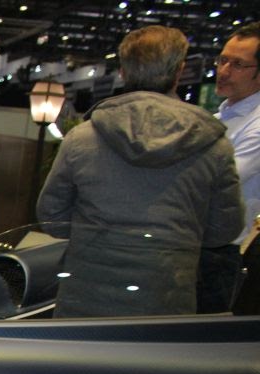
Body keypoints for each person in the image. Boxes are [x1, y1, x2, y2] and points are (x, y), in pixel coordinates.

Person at [37, 25, 245, 317]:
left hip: (85, 299)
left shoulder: (83, 138)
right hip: (167, 299)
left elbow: (52, 217)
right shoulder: (213, 144)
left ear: (123, 71)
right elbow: (225, 228)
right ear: (179, 71)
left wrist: (97, 237)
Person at [206, 22, 260, 312]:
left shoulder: (257, 125)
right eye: (223, 60)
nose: (224, 71)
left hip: (226, 253)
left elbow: (221, 183)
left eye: (238, 64)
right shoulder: (219, 117)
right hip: (202, 247)